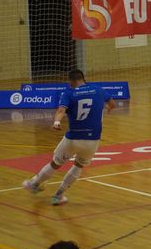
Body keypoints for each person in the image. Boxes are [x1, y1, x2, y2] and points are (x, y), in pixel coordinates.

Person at [22, 70, 115, 206]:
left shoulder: (69, 93)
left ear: (71, 81)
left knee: (55, 164)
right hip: (92, 140)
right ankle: (58, 196)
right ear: (83, 78)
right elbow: (112, 103)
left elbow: (61, 111)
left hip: (73, 138)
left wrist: (56, 122)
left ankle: (34, 184)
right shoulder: (98, 89)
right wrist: (109, 108)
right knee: (78, 165)